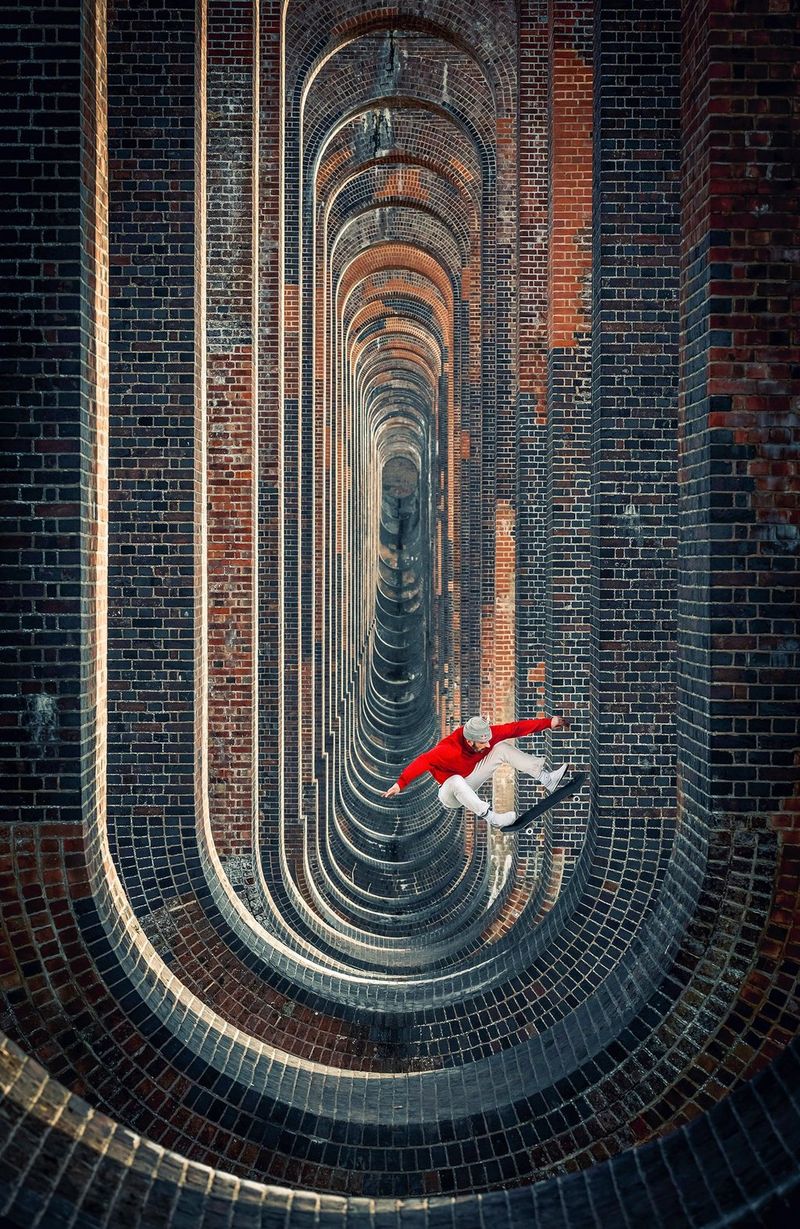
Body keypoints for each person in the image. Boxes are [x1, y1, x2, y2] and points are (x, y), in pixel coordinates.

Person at [381, 714, 571, 828]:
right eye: (482, 742)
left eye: (487, 739)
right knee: (455, 780)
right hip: (449, 793)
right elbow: (423, 761)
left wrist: (549, 722)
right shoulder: (449, 750)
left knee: (501, 748)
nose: (487, 744)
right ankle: (493, 818)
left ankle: (547, 778)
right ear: (469, 741)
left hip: (469, 779)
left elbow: (515, 728)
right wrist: (400, 783)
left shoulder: (487, 737)